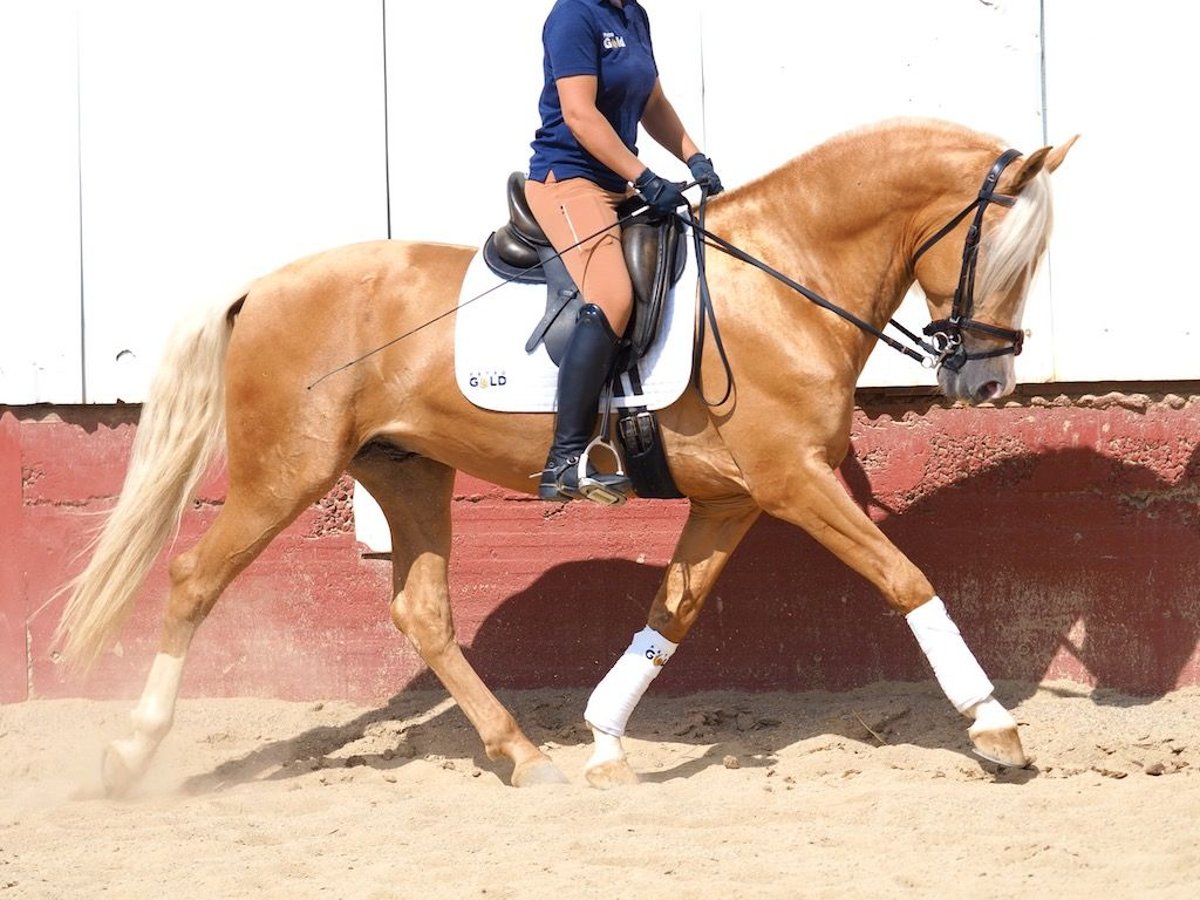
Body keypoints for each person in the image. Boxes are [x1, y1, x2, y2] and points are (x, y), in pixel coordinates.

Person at [525, 0, 723, 503]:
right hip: (568, 181)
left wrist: (694, 155)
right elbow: (579, 114)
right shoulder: (573, 14)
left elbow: (651, 100)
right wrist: (645, 176)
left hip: (616, 183)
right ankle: (564, 460)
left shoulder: (632, 14)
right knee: (612, 296)